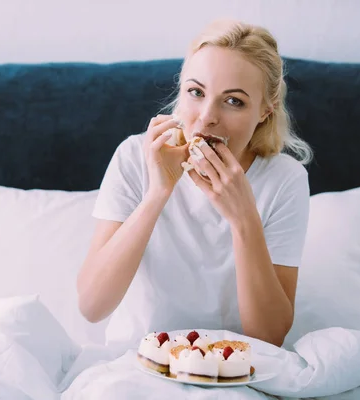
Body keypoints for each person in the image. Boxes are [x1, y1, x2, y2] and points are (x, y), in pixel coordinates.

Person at [76, 18, 312, 349]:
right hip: (137, 362)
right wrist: (158, 192)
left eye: (234, 101)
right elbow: (91, 305)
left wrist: (244, 217)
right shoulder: (134, 156)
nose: (206, 117)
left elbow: (269, 337)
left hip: (233, 369)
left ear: (265, 111)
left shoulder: (284, 180)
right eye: (196, 92)